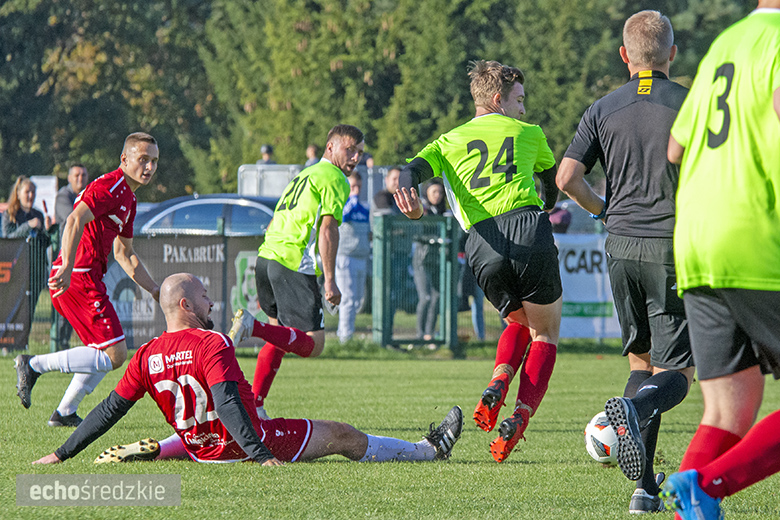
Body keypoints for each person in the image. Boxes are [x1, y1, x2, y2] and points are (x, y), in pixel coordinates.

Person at [30, 273, 463, 466]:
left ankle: (164, 448)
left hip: (200, 447)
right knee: (343, 435)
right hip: (243, 446)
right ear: (186, 306)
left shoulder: (145, 355)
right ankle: (428, 449)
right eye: (203, 296)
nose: (211, 302)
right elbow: (226, 400)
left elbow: (108, 409)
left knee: (219, 421)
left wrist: (62, 452)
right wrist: (261, 455)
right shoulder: (211, 341)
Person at [556, 10, 693, 513]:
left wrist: (604, 210)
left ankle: (644, 490)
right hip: (671, 246)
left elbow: (567, 177)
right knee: (679, 372)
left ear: (624, 56)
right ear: (672, 55)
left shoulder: (603, 108)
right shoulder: (689, 104)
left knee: (642, 363)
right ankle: (629, 414)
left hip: (619, 246)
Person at [395, 59, 561, 463]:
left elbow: (408, 172)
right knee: (545, 334)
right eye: (519, 99)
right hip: (527, 226)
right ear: (497, 99)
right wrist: (543, 212)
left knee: (516, 321)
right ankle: (519, 416)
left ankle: (497, 382)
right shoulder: (528, 132)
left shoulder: (448, 141)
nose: (523, 108)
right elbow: (552, 184)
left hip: (481, 242)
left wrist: (409, 199)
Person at [657, 4, 780, 519]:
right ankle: (707, 484)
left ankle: (692, 495)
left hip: (698, 239)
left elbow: (675, 147)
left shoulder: (726, 44)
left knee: (729, 407)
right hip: (756, 236)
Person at [14, 132, 161, 428]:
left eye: (154, 161)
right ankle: (33, 365)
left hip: (86, 276)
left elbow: (124, 253)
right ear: (125, 159)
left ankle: (65, 412)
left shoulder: (129, 199)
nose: (149, 167)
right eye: (143, 159)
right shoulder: (111, 185)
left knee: (103, 351)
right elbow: (73, 219)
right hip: (78, 277)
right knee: (116, 353)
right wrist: (67, 265)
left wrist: (156, 290)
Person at [228, 124, 364, 419]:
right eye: (349, 149)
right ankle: (253, 327)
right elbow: (328, 230)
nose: (354, 157)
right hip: (292, 261)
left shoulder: (306, 174)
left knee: (278, 338)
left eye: (359, 152)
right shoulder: (334, 178)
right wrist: (330, 280)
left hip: (266, 258)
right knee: (314, 344)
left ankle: (256, 404)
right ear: (331, 147)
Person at [1, 176, 54, 315]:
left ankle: (27, 336)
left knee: (30, 311)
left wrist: (48, 230)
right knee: (15, 312)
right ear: (18, 194)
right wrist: (28, 226)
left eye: (33, 192)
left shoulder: (38, 214)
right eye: (27, 192)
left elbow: (45, 243)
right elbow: (8, 239)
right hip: (16, 269)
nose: (31, 196)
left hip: (36, 270)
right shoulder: (10, 214)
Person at [51, 164, 90, 351]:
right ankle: (57, 345)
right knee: (62, 301)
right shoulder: (63, 196)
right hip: (63, 260)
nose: (80, 178)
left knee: (74, 304)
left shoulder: (88, 195)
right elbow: (73, 219)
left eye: (83, 175)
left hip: (80, 260)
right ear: (69, 177)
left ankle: (65, 343)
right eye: (76, 175)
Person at [411, 180, 450, 346]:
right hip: (422, 260)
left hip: (437, 261)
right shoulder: (423, 210)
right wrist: (435, 240)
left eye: (440, 192)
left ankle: (429, 334)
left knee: (437, 297)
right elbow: (417, 233)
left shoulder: (443, 212)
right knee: (425, 297)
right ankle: (420, 336)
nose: (437, 195)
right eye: (434, 192)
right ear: (427, 192)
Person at [336, 171, 371, 343]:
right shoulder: (343, 205)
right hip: (346, 256)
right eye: (352, 187)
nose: (356, 190)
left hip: (361, 257)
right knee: (348, 299)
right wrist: (351, 201)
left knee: (357, 301)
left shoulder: (364, 208)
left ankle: (348, 333)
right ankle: (344, 337)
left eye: (358, 186)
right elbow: (342, 218)